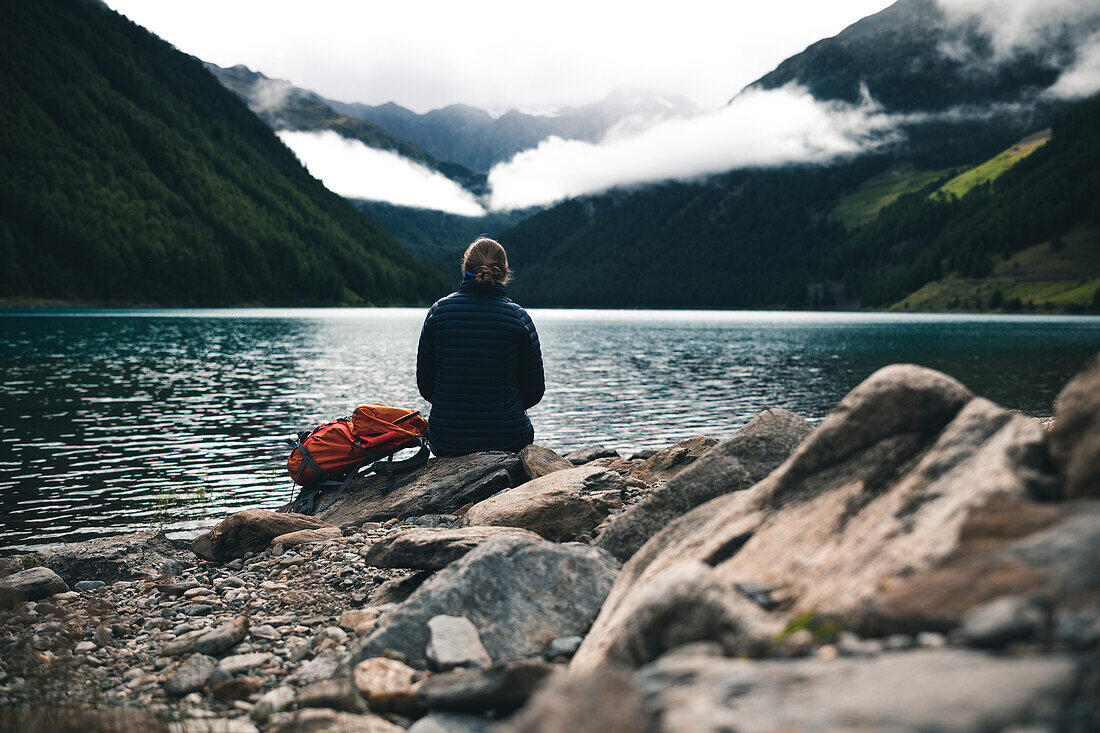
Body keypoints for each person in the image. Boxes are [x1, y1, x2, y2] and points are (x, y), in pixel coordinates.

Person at [416, 237, 544, 455]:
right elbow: (534, 391)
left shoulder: (439, 312)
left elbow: (426, 385)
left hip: (447, 439)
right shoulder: (518, 317)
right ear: (503, 274)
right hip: (508, 437)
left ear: (466, 268)